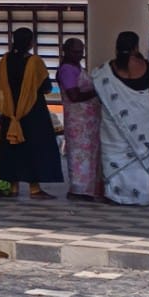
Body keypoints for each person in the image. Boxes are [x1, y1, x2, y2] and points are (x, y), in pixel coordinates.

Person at [0, 28, 61, 197]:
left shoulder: (4, 60)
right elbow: (46, 87)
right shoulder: (34, 62)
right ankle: (34, 188)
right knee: (34, 148)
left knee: (12, 148)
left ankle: (13, 187)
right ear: (30, 42)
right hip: (32, 112)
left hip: (10, 112)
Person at [90, 30, 149, 206]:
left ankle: (116, 195)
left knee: (115, 152)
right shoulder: (145, 66)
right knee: (140, 151)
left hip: (113, 120)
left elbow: (96, 89)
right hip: (141, 116)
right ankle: (142, 193)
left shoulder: (106, 70)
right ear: (136, 46)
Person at [56, 37, 101, 199]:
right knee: (78, 155)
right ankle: (78, 189)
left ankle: (87, 188)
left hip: (87, 121)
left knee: (88, 155)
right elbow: (73, 95)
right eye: (75, 52)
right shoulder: (67, 69)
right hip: (77, 120)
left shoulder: (77, 67)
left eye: (81, 51)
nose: (79, 55)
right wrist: (96, 92)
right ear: (65, 51)